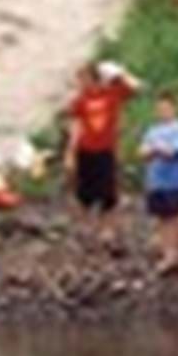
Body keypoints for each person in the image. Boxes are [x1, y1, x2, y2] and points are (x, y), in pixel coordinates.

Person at [63, 59, 144, 253]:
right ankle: (85, 232)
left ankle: (107, 232)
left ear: (94, 78)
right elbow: (76, 127)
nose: (81, 84)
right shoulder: (80, 101)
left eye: (84, 79)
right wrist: (70, 153)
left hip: (106, 150)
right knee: (84, 195)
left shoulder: (112, 94)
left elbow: (137, 88)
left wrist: (119, 72)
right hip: (86, 151)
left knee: (109, 195)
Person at [139, 91, 178, 280]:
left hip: (176, 181)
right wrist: (154, 150)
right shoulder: (152, 130)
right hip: (157, 182)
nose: (163, 112)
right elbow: (143, 152)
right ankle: (169, 255)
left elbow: (173, 152)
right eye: (160, 109)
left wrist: (156, 149)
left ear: (174, 109)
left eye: (166, 108)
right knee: (163, 219)